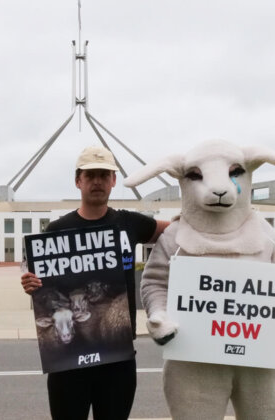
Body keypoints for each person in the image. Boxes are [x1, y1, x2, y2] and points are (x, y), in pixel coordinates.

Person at [21, 145, 169, 420]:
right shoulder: (56, 231)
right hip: (68, 360)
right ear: (78, 181)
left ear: (113, 181)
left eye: (104, 174)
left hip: (117, 355)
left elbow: (176, 231)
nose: (98, 181)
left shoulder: (130, 223)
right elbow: (40, 283)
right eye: (90, 176)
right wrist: (30, 284)